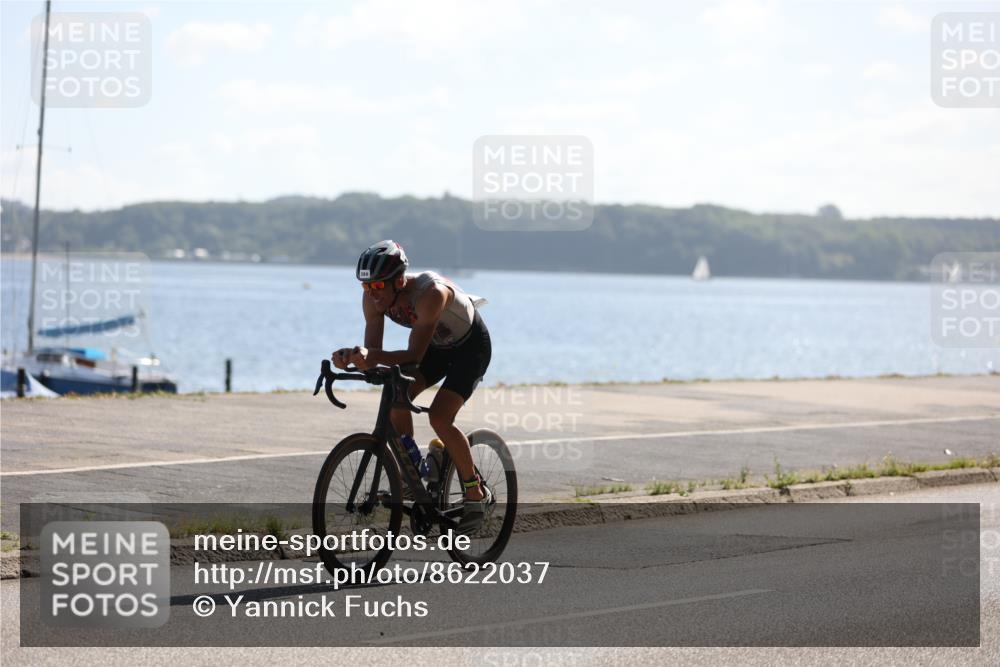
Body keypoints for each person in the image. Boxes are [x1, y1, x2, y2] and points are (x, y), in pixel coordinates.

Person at [331, 240, 493, 533]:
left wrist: (370, 357)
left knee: (440, 417)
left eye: (379, 287)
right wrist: (353, 359)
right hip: (436, 347)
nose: (372, 294)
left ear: (399, 280)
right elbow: (374, 355)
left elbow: (413, 356)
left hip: (470, 349)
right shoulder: (372, 299)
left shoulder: (430, 294)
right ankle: (415, 473)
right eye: (366, 288)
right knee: (396, 399)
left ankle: (474, 490)